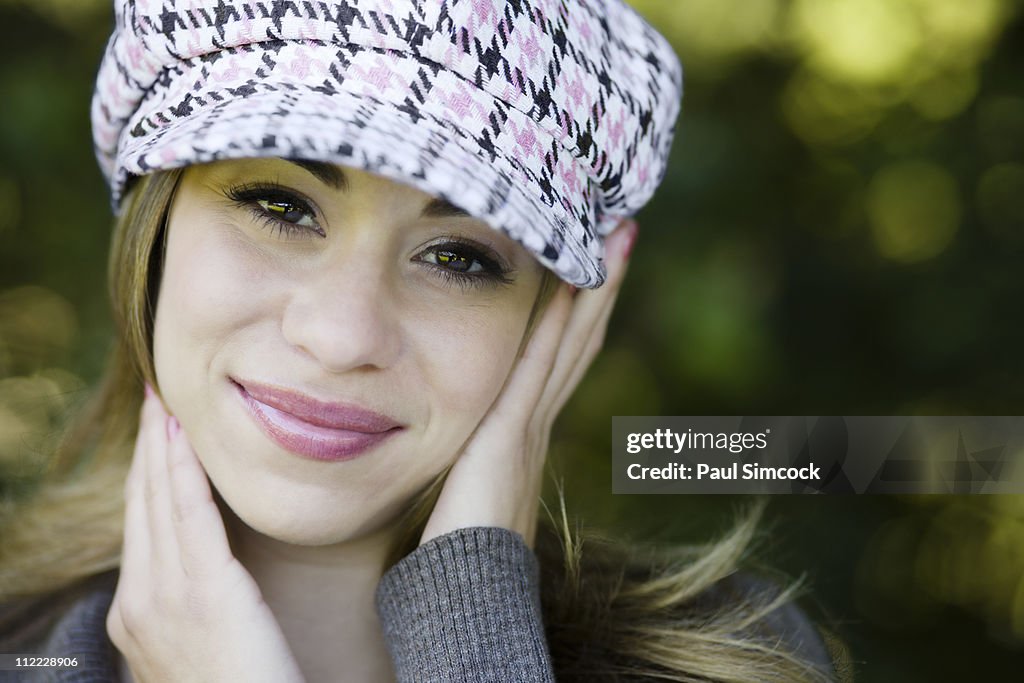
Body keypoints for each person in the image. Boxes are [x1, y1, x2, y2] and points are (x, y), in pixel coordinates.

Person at [0, 0, 847, 681]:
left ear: (555, 315)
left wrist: (473, 638)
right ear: (155, 228)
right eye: (282, 206)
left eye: (459, 258)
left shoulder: (729, 656)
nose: (341, 335)